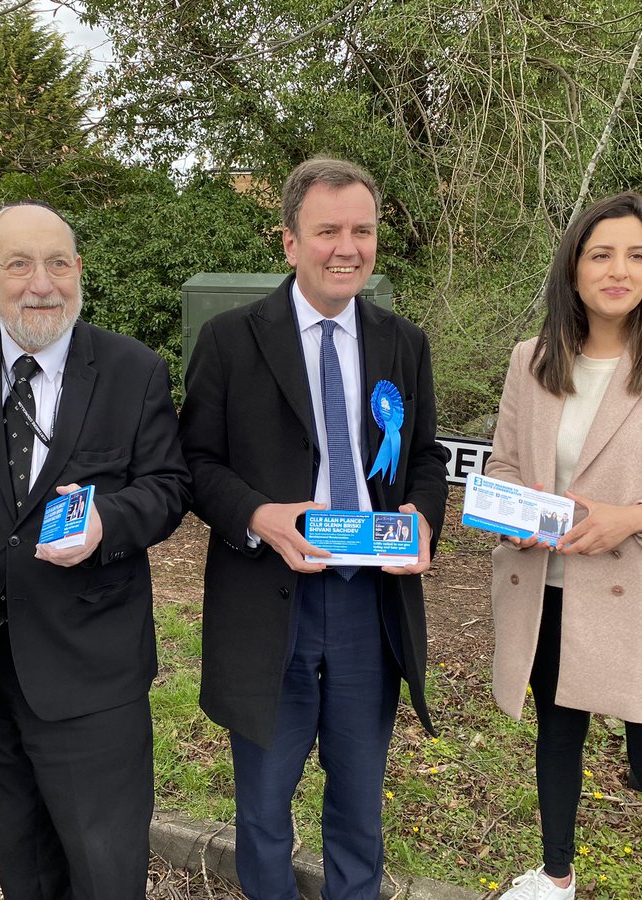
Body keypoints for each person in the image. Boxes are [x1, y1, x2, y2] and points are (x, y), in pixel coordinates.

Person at [180, 157, 450, 898]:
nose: (347, 247)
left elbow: (425, 459)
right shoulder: (233, 340)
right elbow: (196, 462)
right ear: (290, 242)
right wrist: (259, 516)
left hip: (370, 602)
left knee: (360, 803)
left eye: (362, 231)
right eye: (327, 230)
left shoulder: (404, 342)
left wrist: (423, 520)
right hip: (271, 602)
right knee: (264, 806)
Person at [0, 200, 190, 900]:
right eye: (19, 264)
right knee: (23, 865)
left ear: (79, 271)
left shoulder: (134, 370)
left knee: (105, 872)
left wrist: (106, 522)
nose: (41, 282)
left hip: (91, 669)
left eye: (58, 262)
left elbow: (168, 487)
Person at [486, 192, 642, 900]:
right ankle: (556, 876)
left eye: (636, 255)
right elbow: (505, 466)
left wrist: (634, 515)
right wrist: (510, 511)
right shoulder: (531, 360)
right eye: (601, 254)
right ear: (573, 269)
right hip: (548, 587)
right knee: (557, 737)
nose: (618, 269)